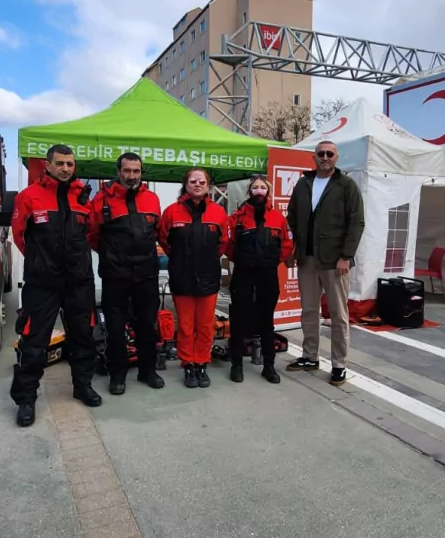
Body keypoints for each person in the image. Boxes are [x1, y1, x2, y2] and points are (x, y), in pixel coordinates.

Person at [9, 144, 102, 427]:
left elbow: (92, 235)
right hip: (42, 284)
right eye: (60, 163)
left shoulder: (83, 199)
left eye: (70, 164)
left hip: (78, 282)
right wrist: (41, 264)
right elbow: (20, 236)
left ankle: (82, 385)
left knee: (83, 336)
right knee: (34, 342)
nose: (65, 169)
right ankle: (26, 399)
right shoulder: (29, 197)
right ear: (47, 166)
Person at [285, 140, 365, 386]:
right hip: (307, 258)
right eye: (321, 153)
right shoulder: (303, 183)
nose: (325, 157)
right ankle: (310, 356)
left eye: (330, 153)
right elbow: (292, 217)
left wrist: (346, 256)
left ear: (337, 157)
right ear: (314, 157)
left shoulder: (346, 185)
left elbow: (357, 223)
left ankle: (339, 363)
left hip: (334, 260)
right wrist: (293, 249)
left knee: (338, 314)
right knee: (309, 310)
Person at [87, 152, 165, 395]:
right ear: (118, 172)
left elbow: (158, 232)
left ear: (142, 173)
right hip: (115, 275)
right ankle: (117, 374)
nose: (132, 176)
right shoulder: (101, 200)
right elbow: (92, 235)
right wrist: (112, 255)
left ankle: (147, 371)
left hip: (146, 274)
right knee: (115, 327)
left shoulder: (152, 199)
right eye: (127, 171)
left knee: (147, 326)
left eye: (136, 171)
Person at [158, 168, 228, 388]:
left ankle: (202, 363)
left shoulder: (218, 212)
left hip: (208, 276)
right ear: (185, 184)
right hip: (182, 277)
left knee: (206, 325)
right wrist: (180, 260)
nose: (197, 184)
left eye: (202, 181)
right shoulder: (171, 212)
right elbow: (164, 240)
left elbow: (222, 243)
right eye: (193, 181)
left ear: (208, 186)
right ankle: (188, 365)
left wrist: (205, 259)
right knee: (187, 326)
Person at [225, 175, 293, 384]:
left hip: (267, 274)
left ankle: (269, 366)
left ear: (268, 192)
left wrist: (271, 260)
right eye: (255, 187)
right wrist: (242, 260)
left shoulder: (278, 218)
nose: (259, 190)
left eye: (263, 187)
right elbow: (227, 244)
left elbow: (287, 244)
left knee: (266, 321)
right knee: (238, 320)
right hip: (243, 273)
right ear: (249, 191)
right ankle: (237, 365)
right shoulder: (237, 217)